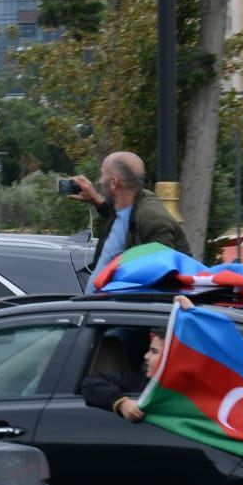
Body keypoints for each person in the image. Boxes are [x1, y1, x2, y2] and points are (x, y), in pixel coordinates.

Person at [67, 151, 190, 290]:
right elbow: (125, 224)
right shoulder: (123, 208)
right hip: (100, 307)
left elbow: (162, 274)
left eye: (102, 175)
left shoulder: (152, 218)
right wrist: (96, 201)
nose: (100, 181)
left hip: (126, 309)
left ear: (113, 183)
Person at [81, 296, 192, 422]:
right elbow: (91, 383)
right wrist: (122, 403)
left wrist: (193, 317)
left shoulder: (194, 394)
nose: (146, 356)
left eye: (154, 351)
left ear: (173, 357)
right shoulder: (140, 382)